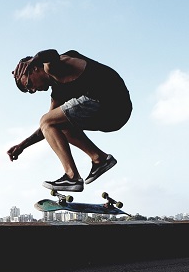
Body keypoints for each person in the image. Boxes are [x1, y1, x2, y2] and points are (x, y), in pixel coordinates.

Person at [7, 49, 132, 192]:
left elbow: (51, 54)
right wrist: (22, 146)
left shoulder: (53, 66)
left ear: (34, 69)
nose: (34, 89)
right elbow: (47, 129)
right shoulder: (58, 93)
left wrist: (32, 60)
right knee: (56, 124)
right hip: (113, 117)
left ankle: (72, 177)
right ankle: (100, 159)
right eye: (30, 91)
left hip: (111, 100)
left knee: (49, 120)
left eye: (30, 84)